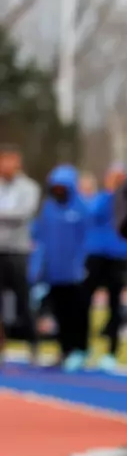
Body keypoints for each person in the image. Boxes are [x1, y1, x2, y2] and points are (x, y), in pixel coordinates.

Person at [32, 164, 91, 369]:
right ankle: (64, 349)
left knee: (78, 312)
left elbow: (87, 238)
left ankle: (80, 349)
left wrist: (83, 263)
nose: (58, 191)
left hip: (76, 272)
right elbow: (40, 237)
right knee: (60, 312)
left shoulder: (81, 209)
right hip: (55, 272)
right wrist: (38, 267)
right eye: (55, 188)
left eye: (62, 188)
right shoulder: (48, 209)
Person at [81, 164, 127, 371]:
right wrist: (110, 191)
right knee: (84, 301)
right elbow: (93, 213)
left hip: (118, 256)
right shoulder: (100, 199)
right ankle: (82, 347)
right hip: (95, 255)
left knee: (115, 304)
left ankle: (111, 351)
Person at [0, 144, 41, 362]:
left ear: (18, 163)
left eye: (10, 160)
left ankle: (32, 342)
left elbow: (23, 214)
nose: (6, 165)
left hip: (18, 250)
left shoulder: (29, 187)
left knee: (23, 298)